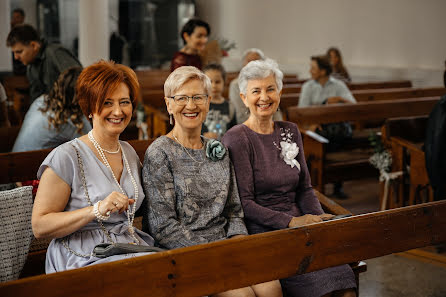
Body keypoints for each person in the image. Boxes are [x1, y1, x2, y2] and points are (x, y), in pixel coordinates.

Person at [142, 66, 282, 297]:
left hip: (226, 247)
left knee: (271, 288)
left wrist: (238, 246)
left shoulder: (218, 150)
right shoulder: (160, 153)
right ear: (168, 104)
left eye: (198, 97)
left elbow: (234, 211)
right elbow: (163, 227)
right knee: (242, 296)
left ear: (208, 102)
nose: (191, 105)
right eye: (182, 98)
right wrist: (214, 254)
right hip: (185, 254)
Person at [222, 59, 357, 297]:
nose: (264, 97)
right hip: (266, 233)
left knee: (345, 287)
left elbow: (305, 188)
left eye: (270, 89)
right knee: (323, 290)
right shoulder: (237, 138)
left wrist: (317, 220)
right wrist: (292, 222)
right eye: (256, 91)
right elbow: (244, 203)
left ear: (280, 93)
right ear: (244, 97)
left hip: (302, 225)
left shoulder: (290, 130)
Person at [32, 60, 155, 273]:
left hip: (128, 247)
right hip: (82, 256)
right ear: (90, 107)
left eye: (124, 102)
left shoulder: (129, 152)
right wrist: (96, 210)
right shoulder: (66, 156)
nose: (118, 111)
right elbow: (39, 226)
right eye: (107, 102)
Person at [299, 55, 356, 199]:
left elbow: (353, 106)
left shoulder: (338, 85)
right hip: (315, 127)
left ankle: (335, 184)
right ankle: (314, 186)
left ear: (323, 71)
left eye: (313, 68)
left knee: (336, 143)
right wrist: (312, 122)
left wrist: (338, 99)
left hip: (335, 128)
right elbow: (301, 112)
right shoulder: (308, 86)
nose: (310, 71)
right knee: (318, 138)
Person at [12, 67, 91, 152]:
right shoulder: (73, 120)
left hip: (12, 159)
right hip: (29, 163)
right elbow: (93, 149)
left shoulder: (41, 100)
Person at [6, 24, 82, 102]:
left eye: (19, 52)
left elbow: (80, 81)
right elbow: (36, 99)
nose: (16, 57)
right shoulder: (30, 67)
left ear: (34, 45)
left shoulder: (54, 53)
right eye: (14, 53)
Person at [229, 48, 282, 124]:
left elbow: (276, 110)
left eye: (256, 61)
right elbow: (241, 114)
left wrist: (278, 128)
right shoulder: (235, 85)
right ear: (243, 64)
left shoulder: (271, 81)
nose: (252, 64)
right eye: (249, 60)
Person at [202, 63, 236, 139]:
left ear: (224, 82)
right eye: (210, 82)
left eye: (217, 82)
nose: (213, 86)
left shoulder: (230, 107)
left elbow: (234, 131)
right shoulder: (199, 105)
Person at [10, 8, 27, 75]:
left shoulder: (27, 32)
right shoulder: (10, 32)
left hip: (24, 66)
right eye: (13, 17)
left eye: (17, 17)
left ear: (23, 18)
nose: (15, 20)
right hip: (13, 66)